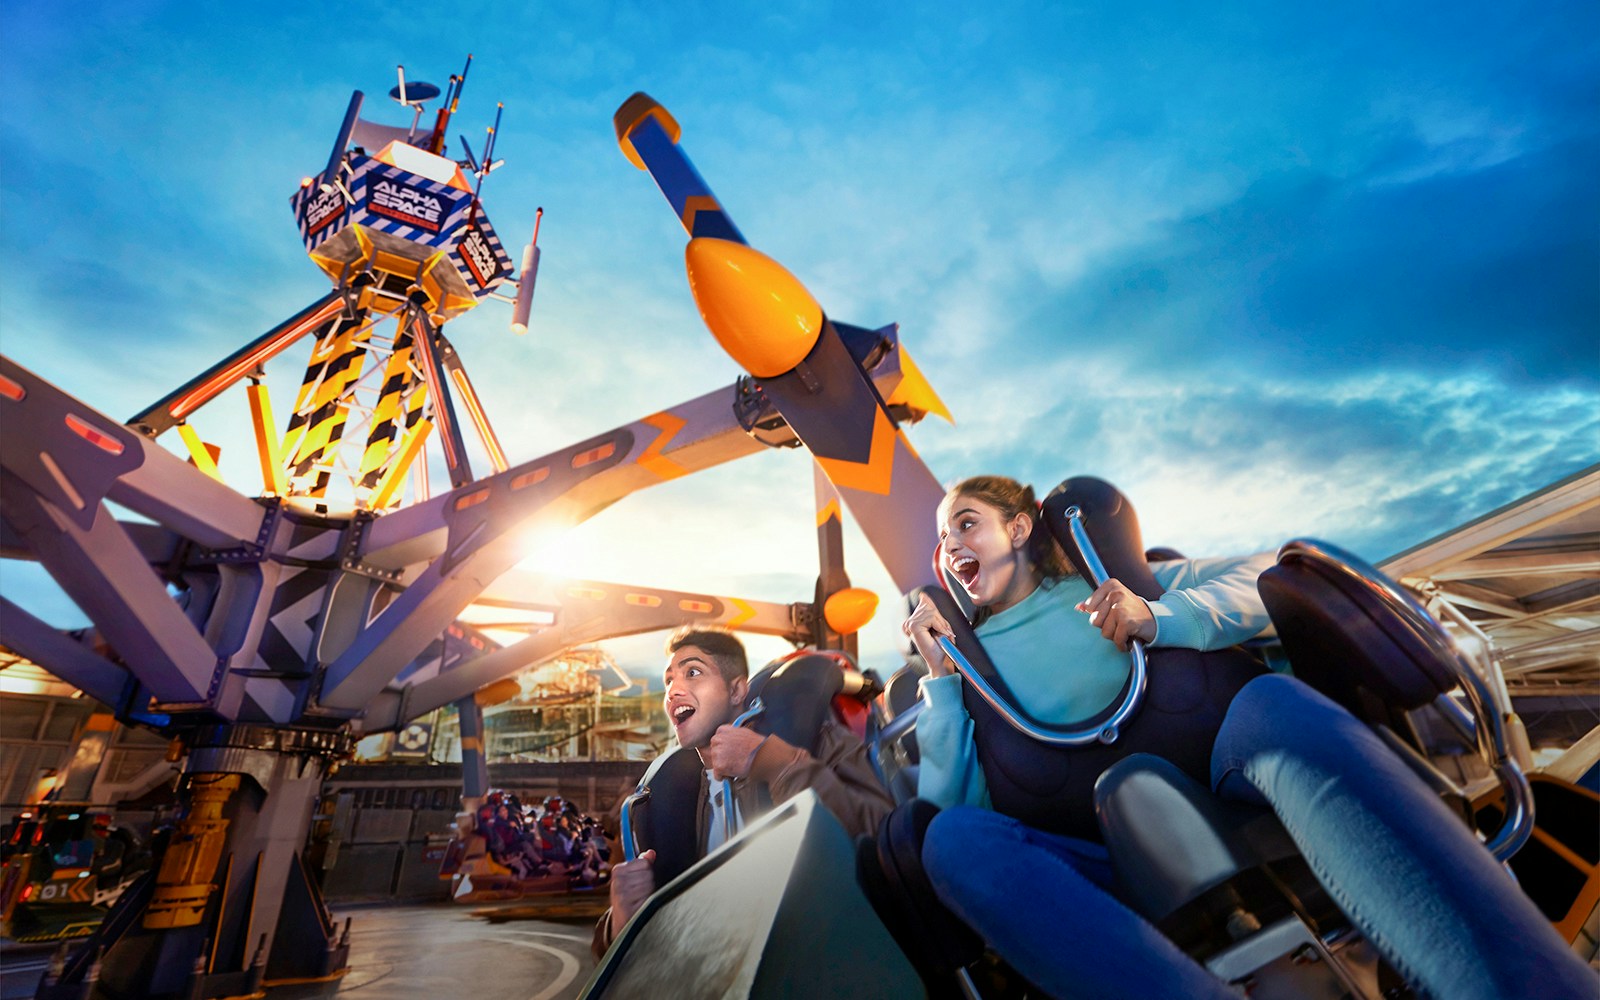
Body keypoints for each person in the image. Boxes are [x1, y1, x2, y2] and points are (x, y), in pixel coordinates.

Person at [904, 475, 1595, 999]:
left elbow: (1260, 573)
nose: (951, 544)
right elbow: (954, 805)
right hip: (1094, 840)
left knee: (1272, 703)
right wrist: (940, 683)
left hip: (1225, 769)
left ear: (1021, 528)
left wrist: (1161, 615)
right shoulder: (971, 664)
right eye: (942, 539)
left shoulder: (1106, 580)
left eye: (966, 523)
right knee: (951, 843)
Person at [592, 626, 894, 961]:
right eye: (668, 681)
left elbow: (884, 837)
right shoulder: (658, 797)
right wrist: (617, 924)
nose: (674, 690)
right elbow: (609, 953)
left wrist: (777, 764)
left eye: (693, 673)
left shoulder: (817, 741)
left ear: (737, 690)